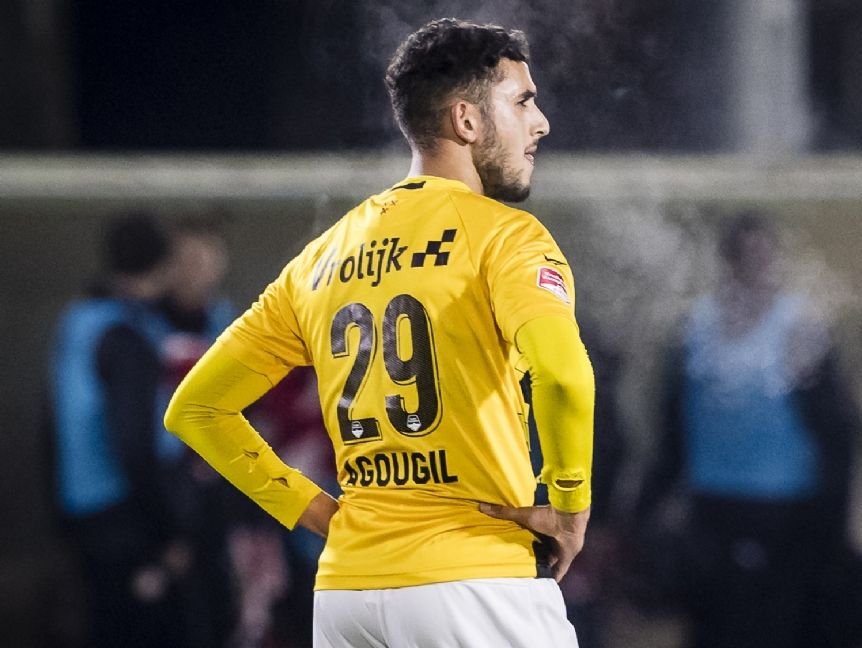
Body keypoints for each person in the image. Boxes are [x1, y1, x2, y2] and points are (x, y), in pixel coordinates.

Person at [164, 17, 595, 648]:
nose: (541, 123)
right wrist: (569, 505)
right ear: (466, 120)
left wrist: (312, 510)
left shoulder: (319, 259)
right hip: (475, 582)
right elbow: (563, 375)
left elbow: (196, 410)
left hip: (348, 594)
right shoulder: (506, 236)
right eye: (523, 102)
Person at [638, 213, 862, 648]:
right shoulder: (695, 331)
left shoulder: (800, 331)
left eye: (764, 257)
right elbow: (673, 428)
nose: (756, 268)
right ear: (728, 262)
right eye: (746, 257)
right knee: (716, 620)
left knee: (777, 620)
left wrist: (835, 520)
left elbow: (837, 433)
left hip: (786, 506)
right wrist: (649, 503)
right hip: (714, 502)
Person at [48, 214, 191, 647]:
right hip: (127, 518)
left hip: (83, 508)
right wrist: (167, 532)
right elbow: (134, 443)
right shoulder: (127, 335)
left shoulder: (80, 320)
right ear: (164, 265)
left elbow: (50, 423)